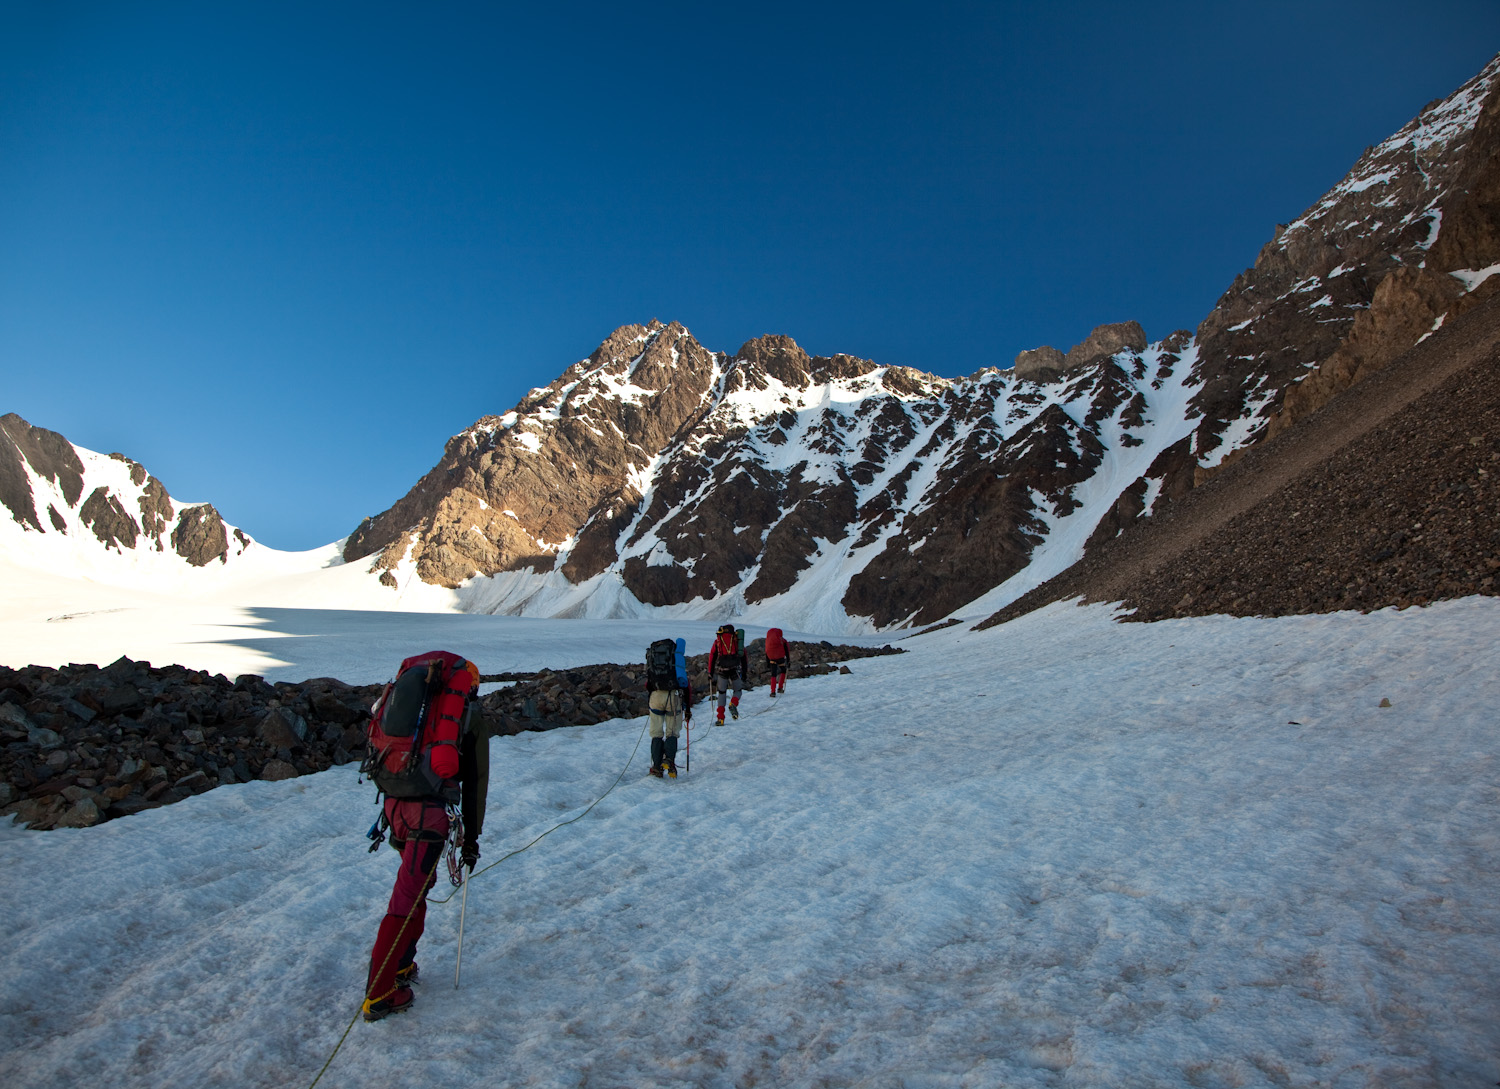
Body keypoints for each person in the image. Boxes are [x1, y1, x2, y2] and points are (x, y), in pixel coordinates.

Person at [362, 652, 489, 1022]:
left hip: (394, 808)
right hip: (428, 818)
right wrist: (471, 839)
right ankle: (379, 992)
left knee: (417, 885)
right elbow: (475, 783)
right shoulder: (466, 718)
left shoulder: (415, 713)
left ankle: (402, 966)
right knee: (407, 895)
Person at [645, 637, 692, 778]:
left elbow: (648, 683)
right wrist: (687, 709)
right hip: (672, 697)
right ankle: (669, 761)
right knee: (672, 732)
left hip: (656, 696)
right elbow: (686, 686)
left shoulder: (653, 658)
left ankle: (656, 767)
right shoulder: (676, 660)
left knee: (656, 733)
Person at [707, 623, 748, 723]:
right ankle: (733, 704)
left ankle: (720, 718)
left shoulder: (718, 641)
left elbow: (712, 656)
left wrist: (710, 673)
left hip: (722, 669)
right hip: (734, 669)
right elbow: (743, 656)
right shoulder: (736, 640)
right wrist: (744, 672)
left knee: (722, 693)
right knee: (738, 690)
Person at [765, 626, 789, 697]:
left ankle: (773, 692)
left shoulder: (768, 641)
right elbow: (787, 651)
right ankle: (780, 687)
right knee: (783, 670)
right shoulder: (783, 641)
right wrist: (788, 660)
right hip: (780, 658)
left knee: (773, 674)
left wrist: (767, 661)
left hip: (771, 658)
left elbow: (766, 651)